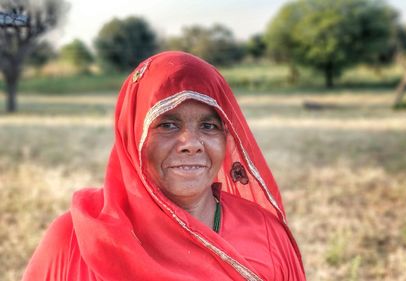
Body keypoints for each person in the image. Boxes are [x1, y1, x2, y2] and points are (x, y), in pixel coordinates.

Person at [22, 51, 306, 281]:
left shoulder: (266, 234)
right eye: (168, 125)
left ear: (227, 137)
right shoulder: (75, 240)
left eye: (209, 126)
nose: (191, 143)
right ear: (134, 137)